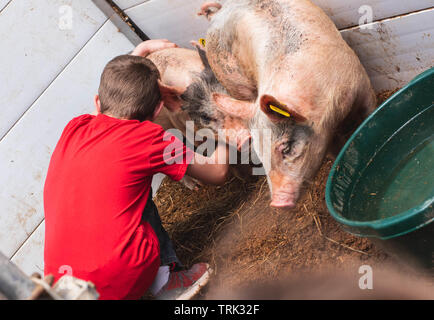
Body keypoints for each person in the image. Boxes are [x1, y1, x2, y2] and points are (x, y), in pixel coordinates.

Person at [43, 40, 229, 300]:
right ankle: (167, 283)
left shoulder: (75, 127)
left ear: (97, 102)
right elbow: (218, 172)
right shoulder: (151, 138)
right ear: (158, 109)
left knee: (109, 192)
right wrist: (226, 124)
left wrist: (136, 56)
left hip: (64, 286)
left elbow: (108, 109)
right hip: (119, 278)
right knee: (136, 198)